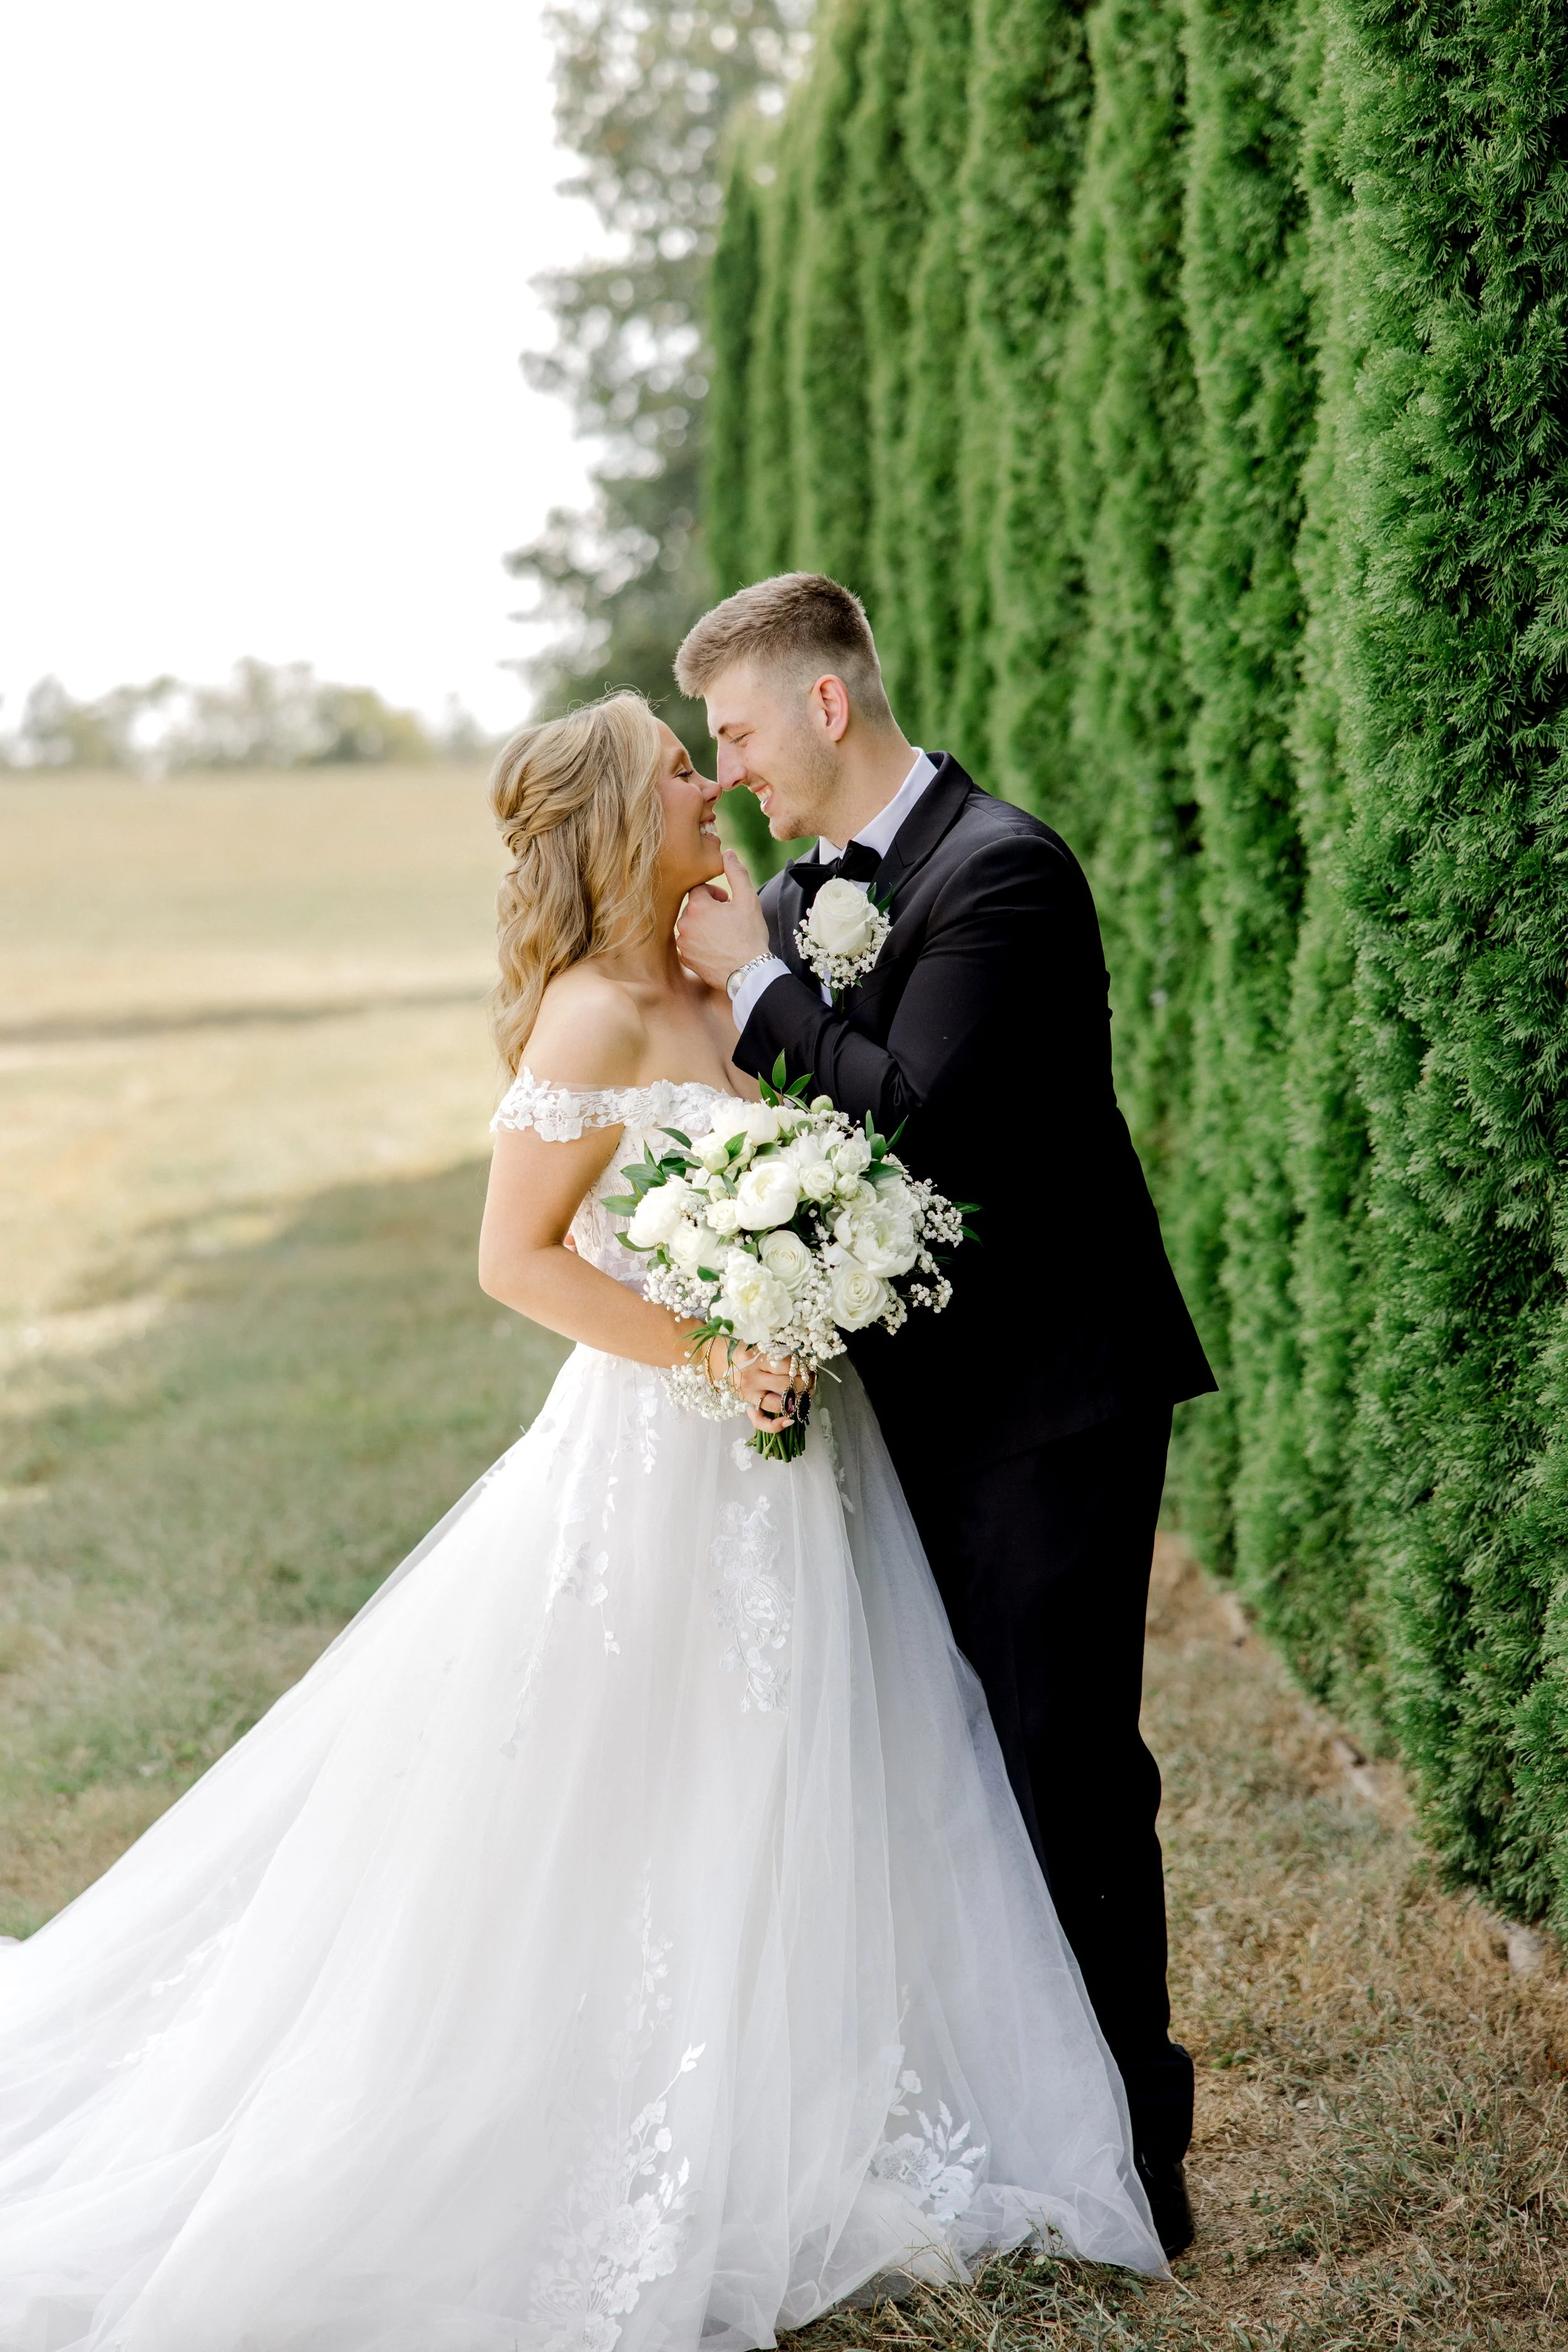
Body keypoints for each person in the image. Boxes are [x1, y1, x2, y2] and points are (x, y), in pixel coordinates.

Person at [0, 691, 1164, 2351]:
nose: (715, 782)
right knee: (636, 1778)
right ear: (624, 815)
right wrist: (720, 1345)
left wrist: (803, 1293)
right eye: (686, 769)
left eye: (716, 752)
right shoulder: (590, 1016)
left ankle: (818, 2087)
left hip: (799, 1454)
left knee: (803, 1761)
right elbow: (518, 1258)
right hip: (660, 1447)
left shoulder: (729, 957)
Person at [671, 573, 1217, 2259]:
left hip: (1048, 1403)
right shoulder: (793, 889)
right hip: (898, 1407)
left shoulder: (1004, 876)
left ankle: (1138, 2150)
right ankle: (1007, 2129)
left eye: (744, 733)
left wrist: (766, 993)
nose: (740, 769)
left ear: (826, 706)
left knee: (1061, 1769)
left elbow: (916, 1125)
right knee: (947, 1774)